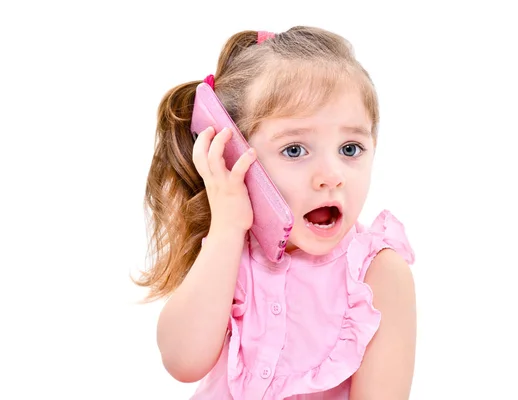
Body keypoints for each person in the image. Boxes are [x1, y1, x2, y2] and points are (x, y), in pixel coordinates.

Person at [134, 26, 417, 399]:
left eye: (350, 149)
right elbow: (182, 360)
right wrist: (227, 228)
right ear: (233, 154)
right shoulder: (231, 251)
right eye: (295, 150)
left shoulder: (378, 274)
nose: (331, 176)